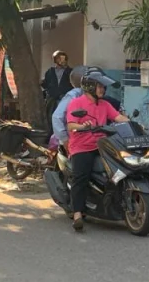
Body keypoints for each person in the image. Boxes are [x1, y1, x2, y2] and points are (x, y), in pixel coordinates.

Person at [64, 69, 129, 232]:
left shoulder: (105, 104)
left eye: (103, 87)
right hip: (82, 146)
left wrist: (134, 123)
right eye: (99, 86)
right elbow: (71, 125)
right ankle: (78, 213)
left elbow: (118, 118)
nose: (102, 89)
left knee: (119, 167)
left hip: (102, 144)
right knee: (81, 177)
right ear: (89, 87)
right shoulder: (76, 103)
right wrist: (82, 126)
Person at [52, 66, 88, 150]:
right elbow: (57, 117)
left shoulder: (95, 96)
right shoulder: (74, 95)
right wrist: (65, 139)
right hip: (73, 141)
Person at [42, 51, 73, 122]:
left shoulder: (70, 71)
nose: (62, 61)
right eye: (59, 59)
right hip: (52, 97)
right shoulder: (50, 71)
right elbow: (46, 83)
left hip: (64, 97)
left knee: (63, 116)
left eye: (63, 59)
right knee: (50, 116)